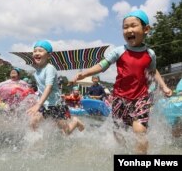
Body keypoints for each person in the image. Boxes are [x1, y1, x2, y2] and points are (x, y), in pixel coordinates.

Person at [73, 10, 172, 154]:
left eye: (133, 26)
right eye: (125, 27)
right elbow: (103, 65)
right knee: (118, 132)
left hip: (141, 98)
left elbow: (153, 71)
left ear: (146, 29)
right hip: (120, 98)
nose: (129, 30)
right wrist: (85, 73)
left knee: (140, 131)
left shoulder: (150, 54)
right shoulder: (119, 51)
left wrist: (163, 86)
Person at [27, 40, 84, 135]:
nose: (37, 53)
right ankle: (37, 141)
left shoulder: (50, 69)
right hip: (44, 104)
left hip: (56, 105)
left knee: (66, 132)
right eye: (35, 51)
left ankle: (75, 121)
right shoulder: (37, 70)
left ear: (49, 56)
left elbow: (48, 88)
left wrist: (38, 104)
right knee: (32, 123)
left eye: (40, 51)